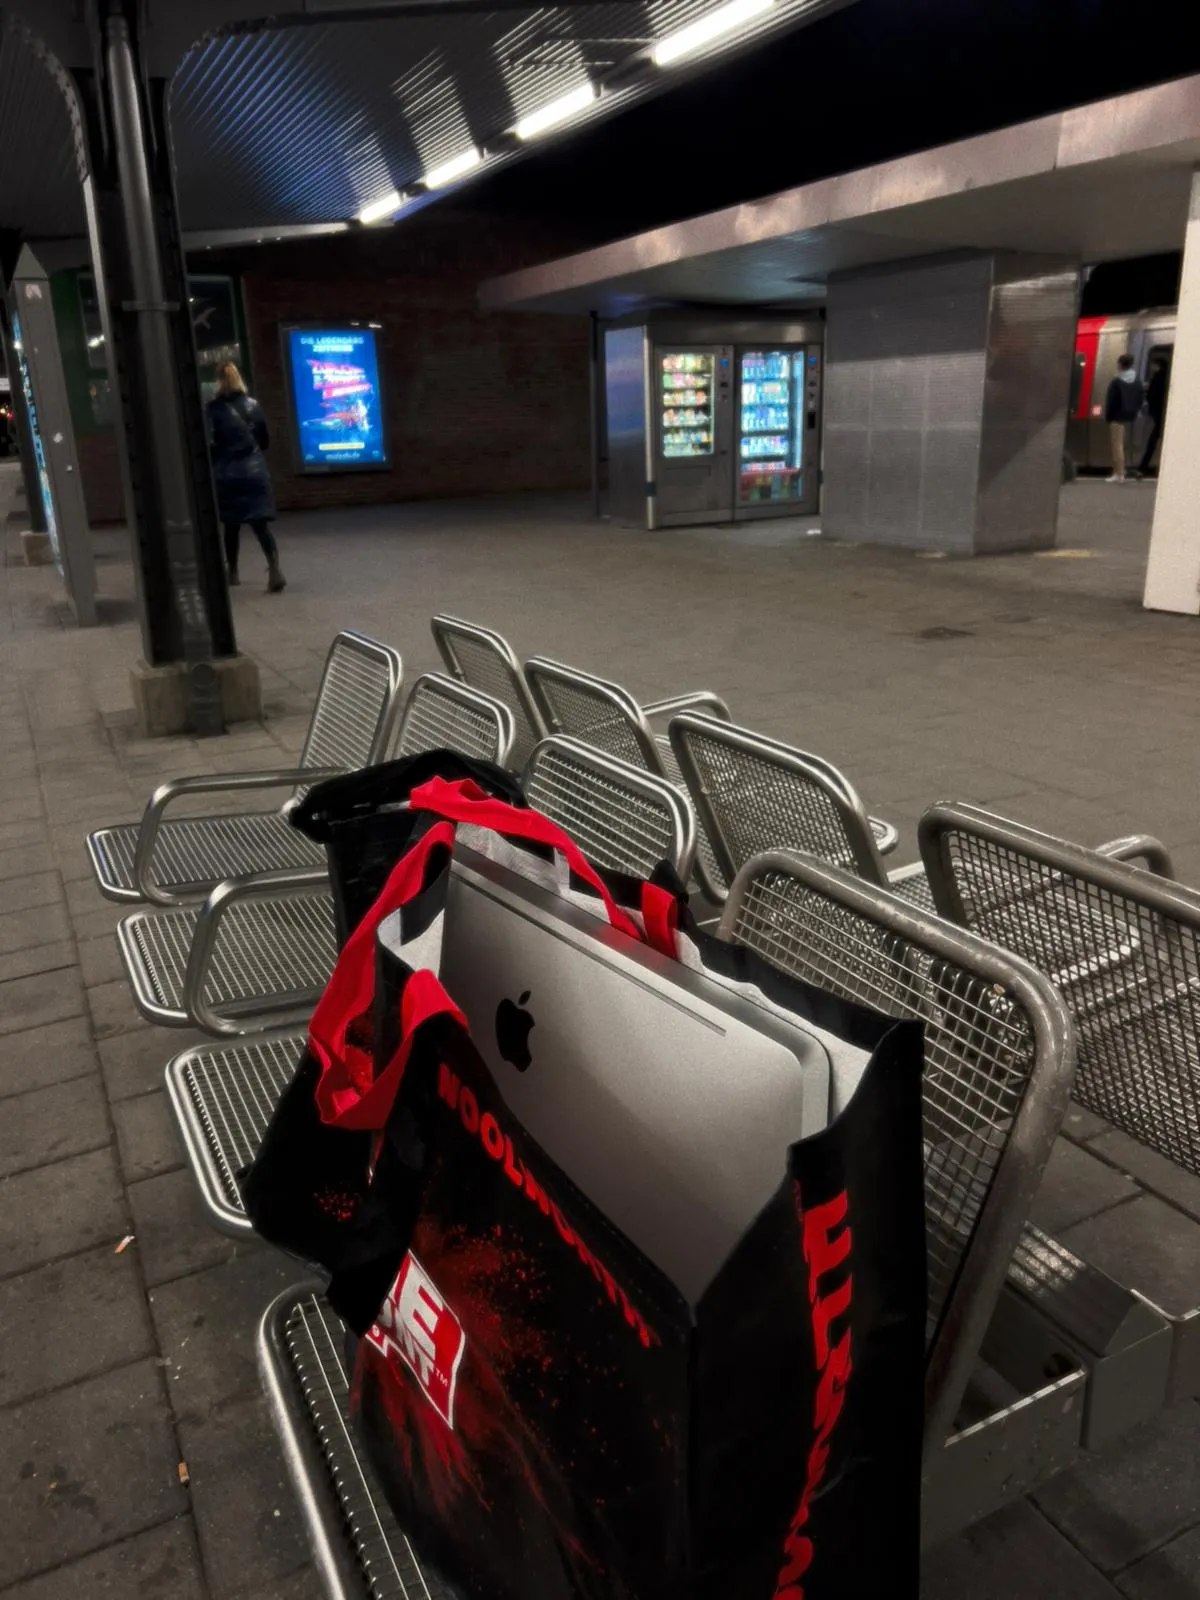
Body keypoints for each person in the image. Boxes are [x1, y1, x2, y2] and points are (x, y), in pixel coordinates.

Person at [206, 362, 285, 591]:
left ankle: (233, 573)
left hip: (227, 474)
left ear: (218, 382)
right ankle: (275, 570)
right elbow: (265, 441)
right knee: (260, 525)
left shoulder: (212, 409)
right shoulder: (254, 405)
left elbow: (210, 443)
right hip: (254, 473)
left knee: (231, 526)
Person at [1103, 353, 1144, 484]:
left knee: (1117, 445)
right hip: (1130, 416)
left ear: (1120, 364)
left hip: (1117, 417)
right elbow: (1140, 399)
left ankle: (1119, 474)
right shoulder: (1137, 380)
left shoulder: (1116, 382)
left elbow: (1110, 402)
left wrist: (1108, 417)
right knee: (1123, 445)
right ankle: (1120, 472)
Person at [1137, 355, 1170, 476]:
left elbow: (1153, 394)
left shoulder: (1159, 378)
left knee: (1153, 441)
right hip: (1161, 414)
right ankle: (1144, 466)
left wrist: (1147, 395)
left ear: (1158, 366)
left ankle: (1143, 467)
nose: (1151, 367)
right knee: (1154, 440)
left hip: (1159, 414)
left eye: (1153, 364)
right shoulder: (1166, 376)